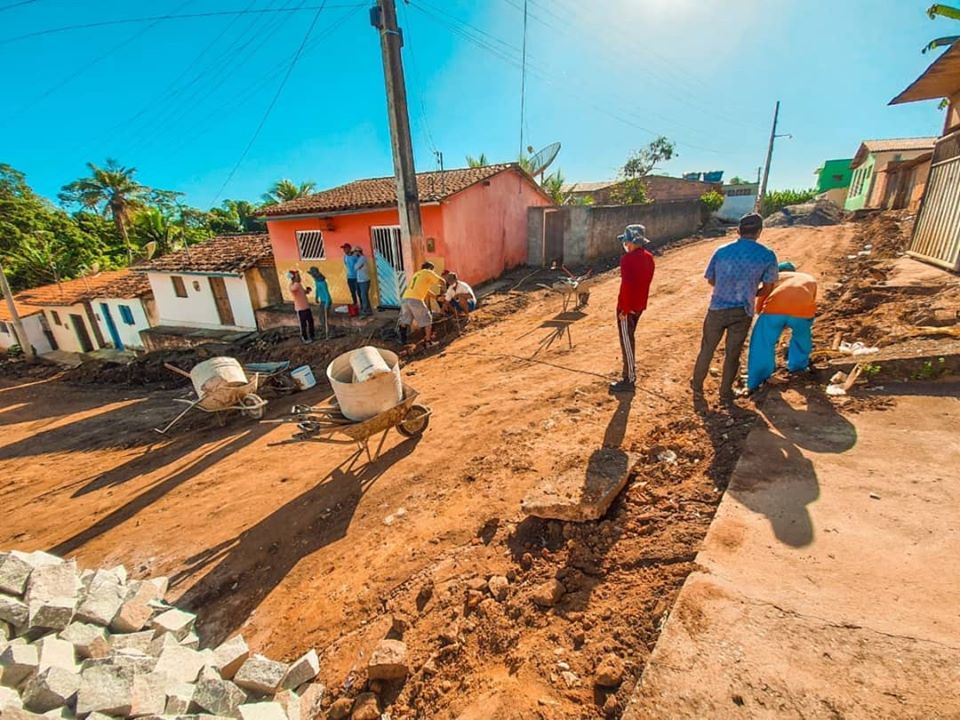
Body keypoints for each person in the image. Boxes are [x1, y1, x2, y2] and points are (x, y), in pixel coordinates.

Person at [692, 212, 778, 406]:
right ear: (759, 231)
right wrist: (752, 292)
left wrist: (725, 287)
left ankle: (697, 385)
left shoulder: (721, 251)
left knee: (707, 349)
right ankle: (725, 392)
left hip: (717, 308)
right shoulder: (767, 255)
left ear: (738, 230)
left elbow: (711, 279)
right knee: (733, 353)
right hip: (743, 310)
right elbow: (768, 288)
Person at [746, 261, 818, 392]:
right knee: (801, 336)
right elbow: (811, 300)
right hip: (803, 310)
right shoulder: (807, 278)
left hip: (774, 310)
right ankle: (798, 368)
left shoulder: (775, 277)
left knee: (763, 343)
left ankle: (758, 380)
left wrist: (766, 317)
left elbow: (761, 302)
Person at [610, 224, 655, 393]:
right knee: (629, 337)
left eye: (627, 242)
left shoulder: (627, 260)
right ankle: (629, 374)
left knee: (627, 341)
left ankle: (629, 378)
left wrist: (624, 309)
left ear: (634, 242)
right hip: (639, 305)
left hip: (627, 307)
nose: (625, 245)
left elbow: (627, 285)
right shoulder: (649, 258)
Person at [399, 261, 444, 345]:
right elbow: (442, 281)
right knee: (427, 319)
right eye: (433, 270)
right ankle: (428, 342)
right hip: (416, 299)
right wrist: (444, 293)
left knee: (405, 320)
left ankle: (403, 341)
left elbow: (426, 290)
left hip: (405, 299)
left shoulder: (416, 274)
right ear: (430, 268)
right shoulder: (428, 272)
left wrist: (436, 297)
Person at [288, 269, 315, 343]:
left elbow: (302, 292)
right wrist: (296, 279)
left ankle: (312, 336)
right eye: (298, 276)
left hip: (306, 306)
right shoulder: (293, 285)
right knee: (303, 324)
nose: (299, 277)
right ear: (294, 277)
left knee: (310, 322)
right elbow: (293, 289)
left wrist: (307, 291)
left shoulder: (298, 284)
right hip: (300, 308)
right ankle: (305, 338)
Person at [307, 266, 332, 338]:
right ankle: (325, 330)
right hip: (322, 301)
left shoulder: (322, 282)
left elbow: (326, 293)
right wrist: (316, 297)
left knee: (323, 318)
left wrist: (327, 304)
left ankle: (328, 332)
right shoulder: (316, 281)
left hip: (326, 301)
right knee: (321, 317)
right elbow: (317, 289)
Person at [354, 247, 373, 316]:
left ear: (358, 252)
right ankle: (368, 310)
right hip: (361, 280)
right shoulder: (360, 259)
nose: (354, 254)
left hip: (364, 280)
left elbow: (355, 267)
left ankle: (365, 311)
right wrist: (358, 266)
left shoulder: (362, 258)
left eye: (355, 252)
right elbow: (356, 267)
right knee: (364, 296)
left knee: (363, 296)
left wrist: (357, 266)